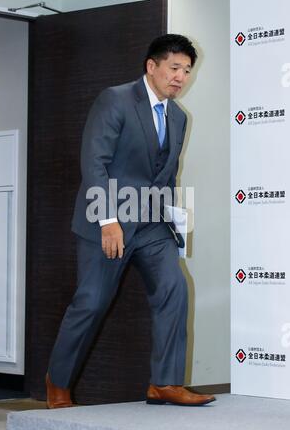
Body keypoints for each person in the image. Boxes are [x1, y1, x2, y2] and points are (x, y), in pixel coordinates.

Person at [46, 34, 215, 408]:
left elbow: (166, 175)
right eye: (174, 68)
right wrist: (108, 220)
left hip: (152, 223)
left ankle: (164, 383)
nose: (181, 78)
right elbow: (95, 162)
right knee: (91, 302)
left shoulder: (179, 117)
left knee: (174, 288)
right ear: (151, 66)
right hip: (108, 219)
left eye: (187, 71)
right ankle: (57, 382)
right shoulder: (115, 100)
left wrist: (173, 225)